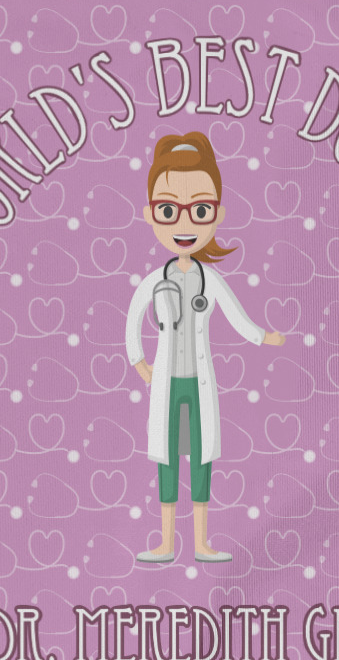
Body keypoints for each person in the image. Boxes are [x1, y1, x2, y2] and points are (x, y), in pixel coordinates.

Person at [123, 132, 288, 564]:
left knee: (200, 457)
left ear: (217, 215)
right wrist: (140, 364)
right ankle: (165, 542)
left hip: (197, 383)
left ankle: (200, 543)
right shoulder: (154, 281)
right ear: (151, 215)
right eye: (168, 210)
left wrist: (264, 337)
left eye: (199, 211)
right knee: (166, 459)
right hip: (166, 383)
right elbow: (133, 321)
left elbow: (236, 315)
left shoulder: (208, 280)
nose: (184, 223)